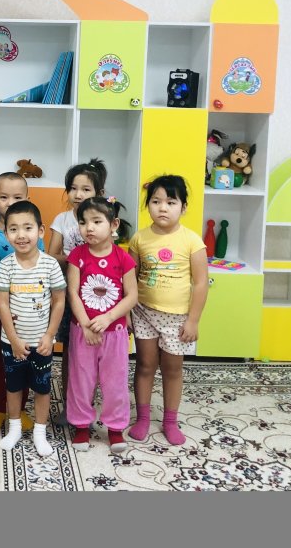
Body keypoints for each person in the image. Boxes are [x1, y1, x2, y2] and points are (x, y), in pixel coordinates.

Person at [127, 175, 208, 446]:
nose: (163, 208)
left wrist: (193, 320)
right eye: (156, 201)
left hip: (177, 318)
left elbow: (200, 283)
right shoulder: (139, 238)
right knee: (145, 365)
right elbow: (130, 278)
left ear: (183, 207)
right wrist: (126, 312)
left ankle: (170, 421)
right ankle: (143, 418)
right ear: (148, 205)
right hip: (144, 312)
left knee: (173, 369)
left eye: (171, 202)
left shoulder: (192, 241)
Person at [66, 196, 138, 453]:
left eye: (97, 221)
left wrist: (108, 318)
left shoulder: (123, 258)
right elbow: (73, 292)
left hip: (115, 334)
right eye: (83, 222)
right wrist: (86, 324)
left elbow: (132, 296)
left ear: (113, 224)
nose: (89, 228)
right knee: (81, 380)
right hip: (82, 331)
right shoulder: (77, 256)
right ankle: (81, 426)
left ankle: (115, 428)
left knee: (115, 381)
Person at [0, 201, 67, 456]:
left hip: (42, 342)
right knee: (14, 386)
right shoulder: (6, 265)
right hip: (12, 342)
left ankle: (40, 432)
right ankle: (14, 428)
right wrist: (13, 340)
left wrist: (50, 336)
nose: (21, 235)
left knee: (42, 387)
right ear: (6, 234)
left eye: (27, 227)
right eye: (13, 229)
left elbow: (59, 301)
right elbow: (2, 304)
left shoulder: (50, 265)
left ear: (40, 231)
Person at [0, 171, 42, 432]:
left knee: (23, 358)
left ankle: (20, 408)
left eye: (17, 197)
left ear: (27, 199)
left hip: (26, 308)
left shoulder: (34, 236)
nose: (10, 203)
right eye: (4, 197)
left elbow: (42, 273)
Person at [47, 158, 109, 424]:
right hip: (66, 292)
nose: (78, 194)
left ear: (99, 193)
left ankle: (88, 403)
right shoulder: (62, 219)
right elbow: (52, 255)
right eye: (73, 188)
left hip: (96, 295)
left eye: (86, 189)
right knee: (70, 351)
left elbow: (108, 256)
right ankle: (70, 405)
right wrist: (78, 258)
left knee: (92, 350)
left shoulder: (103, 220)